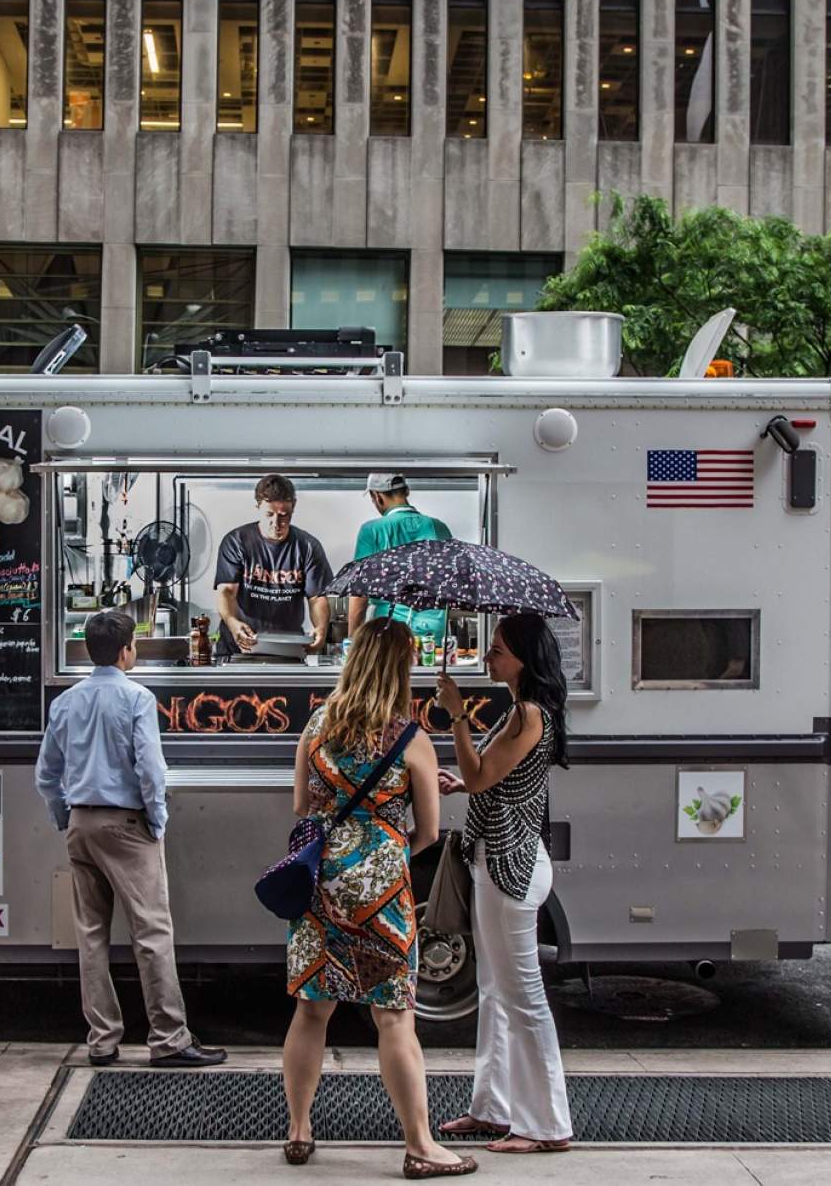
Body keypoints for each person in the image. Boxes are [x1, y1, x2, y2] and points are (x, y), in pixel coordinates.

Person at [281, 617, 477, 1178]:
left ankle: (298, 1131)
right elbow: (430, 834)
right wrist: (387, 836)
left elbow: (302, 805)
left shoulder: (316, 725)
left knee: (312, 1009)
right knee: (394, 1018)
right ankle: (420, 1145)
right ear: (398, 668)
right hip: (382, 888)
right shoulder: (411, 739)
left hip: (319, 883)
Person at [35, 609, 227, 1069]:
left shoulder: (65, 702)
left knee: (91, 934)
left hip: (80, 823)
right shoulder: (137, 698)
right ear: (126, 651)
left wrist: (67, 816)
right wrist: (156, 822)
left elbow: (46, 775)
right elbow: (149, 768)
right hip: (127, 824)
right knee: (152, 932)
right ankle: (168, 1038)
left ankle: (102, 1040)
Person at [433, 614, 573, 1154]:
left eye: (496, 650)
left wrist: (457, 716)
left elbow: (478, 775)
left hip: (510, 867)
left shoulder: (526, 715)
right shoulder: (521, 713)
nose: (487, 658)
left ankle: (546, 1125)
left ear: (523, 658)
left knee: (522, 996)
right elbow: (489, 780)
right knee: (494, 991)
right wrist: (464, 779)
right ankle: (492, 1107)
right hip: (500, 859)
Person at [214, 474, 333, 658]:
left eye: (284, 516)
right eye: (269, 514)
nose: (276, 523)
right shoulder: (237, 542)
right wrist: (231, 622)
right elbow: (227, 591)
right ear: (258, 507)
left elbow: (317, 598)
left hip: (288, 647)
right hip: (241, 644)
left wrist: (321, 628)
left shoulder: (308, 546)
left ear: (293, 507)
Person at [347, 473, 454, 646]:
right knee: (428, 672)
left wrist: (352, 639)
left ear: (377, 497)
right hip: (432, 630)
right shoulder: (439, 528)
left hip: (389, 630)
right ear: (406, 491)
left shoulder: (372, 530)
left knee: (389, 673)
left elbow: (360, 592)